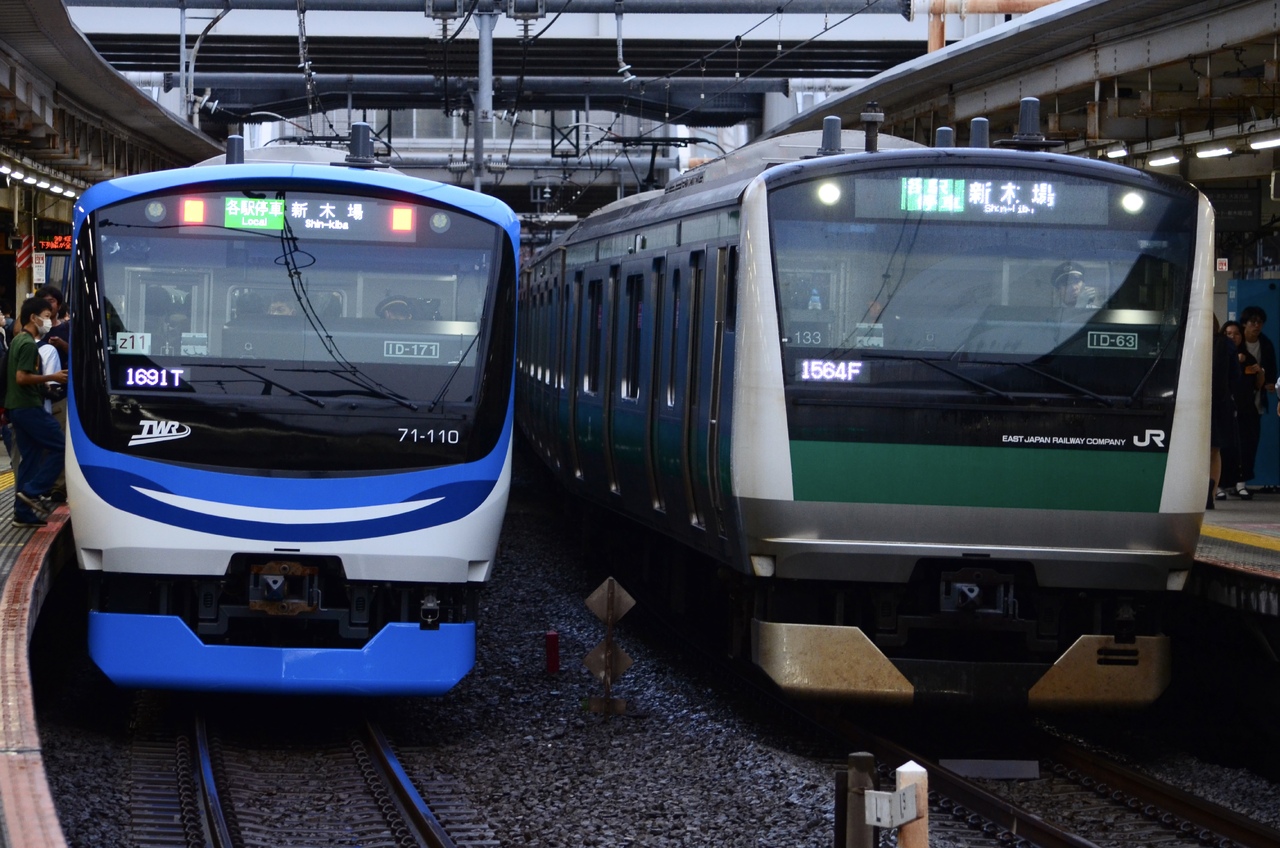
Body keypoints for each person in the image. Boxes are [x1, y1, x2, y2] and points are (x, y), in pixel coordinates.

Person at [6, 297, 67, 527]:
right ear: (33, 317)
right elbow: (22, 377)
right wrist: (53, 377)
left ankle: (22, 513)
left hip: (17, 409)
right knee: (60, 447)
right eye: (46, 316)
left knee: (30, 458)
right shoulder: (29, 344)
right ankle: (32, 491)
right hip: (29, 407)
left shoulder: (17, 340)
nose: (49, 321)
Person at [1221, 320, 1261, 499]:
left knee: (1247, 446)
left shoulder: (1248, 357)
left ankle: (1241, 483)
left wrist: (1260, 372)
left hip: (1246, 409)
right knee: (1224, 447)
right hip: (1225, 409)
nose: (1233, 337)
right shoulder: (1218, 355)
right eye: (1228, 333)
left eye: (1236, 333)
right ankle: (1220, 484)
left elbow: (1257, 386)